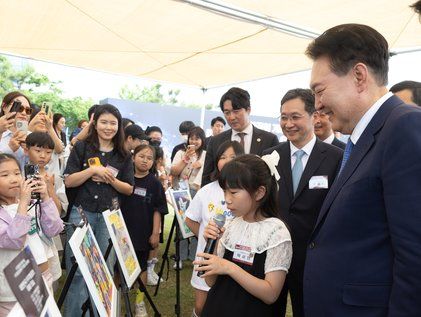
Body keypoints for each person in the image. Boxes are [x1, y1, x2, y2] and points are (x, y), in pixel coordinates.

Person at [304, 23, 421, 316]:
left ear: (359, 76)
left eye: (320, 91)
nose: (317, 105)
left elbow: (415, 257)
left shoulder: (404, 126)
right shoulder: (363, 139)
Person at [262, 88, 343, 317]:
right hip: (273, 255)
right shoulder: (270, 156)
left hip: (312, 258)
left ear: (314, 115)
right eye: (284, 117)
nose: (288, 124)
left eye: (295, 117)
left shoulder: (336, 157)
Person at [195, 154, 292, 317]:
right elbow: (210, 281)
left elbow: (271, 294)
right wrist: (212, 246)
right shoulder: (230, 224)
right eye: (225, 191)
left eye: (233, 192)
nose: (227, 199)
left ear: (259, 192)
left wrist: (229, 267)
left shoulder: (277, 231)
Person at [63, 104, 134, 316]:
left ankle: (99, 312)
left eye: (113, 123)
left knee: (103, 269)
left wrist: (110, 179)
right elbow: (69, 181)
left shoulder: (124, 154)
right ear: (95, 123)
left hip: (107, 216)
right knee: (77, 270)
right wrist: (92, 170)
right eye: (104, 122)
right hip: (81, 213)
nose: (108, 127)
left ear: (119, 126)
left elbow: (129, 189)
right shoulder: (82, 147)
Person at [185, 140, 244, 317]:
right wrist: (206, 237)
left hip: (236, 259)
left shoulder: (246, 190)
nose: (227, 161)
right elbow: (190, 220)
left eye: (233, 156)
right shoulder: (206, 191)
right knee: (202, 306)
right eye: (222, 157)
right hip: (207, 256)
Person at [0, 153, 63, 316]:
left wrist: (46, 197)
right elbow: (14, 241)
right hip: (12, 289)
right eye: (5, 175)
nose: (14, 179)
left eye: (17, 173)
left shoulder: (30, 202)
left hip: (41, 277)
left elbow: (54, 229)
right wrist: (22, 204)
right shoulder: (22, 204)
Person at [121, 144, 168, 317]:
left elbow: (158, 210)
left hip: (142, 233)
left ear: (154, 162)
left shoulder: (154, 183)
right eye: (142, 156)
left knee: (140, 270)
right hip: (122, 233)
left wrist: (155, 233)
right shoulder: (123, 178)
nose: (145, 160)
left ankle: (139, 302)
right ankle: (117, 299)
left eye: (149, 158)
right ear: (133, 157)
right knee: (119, 268)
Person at [202, 87, 279, 186]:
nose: (232, 117)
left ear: (248, 110)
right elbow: (207, 178)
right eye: (227, 113)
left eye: (236, 111)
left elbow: (274, 180)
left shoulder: (269, 140)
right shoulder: (216, 141)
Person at [25, 132, 68, 291]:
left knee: (49, 281)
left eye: (48, 152)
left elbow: (58, 212)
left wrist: (49, 188)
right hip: (27, 234)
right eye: (38, 150)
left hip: (48, 236)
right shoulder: (18, 175)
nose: (43, 156)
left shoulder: (54, 178)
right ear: (26, 150)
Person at [0, 92, 34, 167]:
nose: (24, 113)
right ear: (4, 107)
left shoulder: (31, 136)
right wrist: (10, 149)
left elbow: (42, 167)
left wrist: (32, 153)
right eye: (19, 108)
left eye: (28, 110)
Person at [171, 126, 206, 198]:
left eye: (197, 139)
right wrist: (185, 159)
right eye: (191, 139)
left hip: (197, 191)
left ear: (202, 140)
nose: (193, 141)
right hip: (180, 189)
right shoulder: (180, 153)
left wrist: (201, 164)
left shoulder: (206, 155)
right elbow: (173, 172)